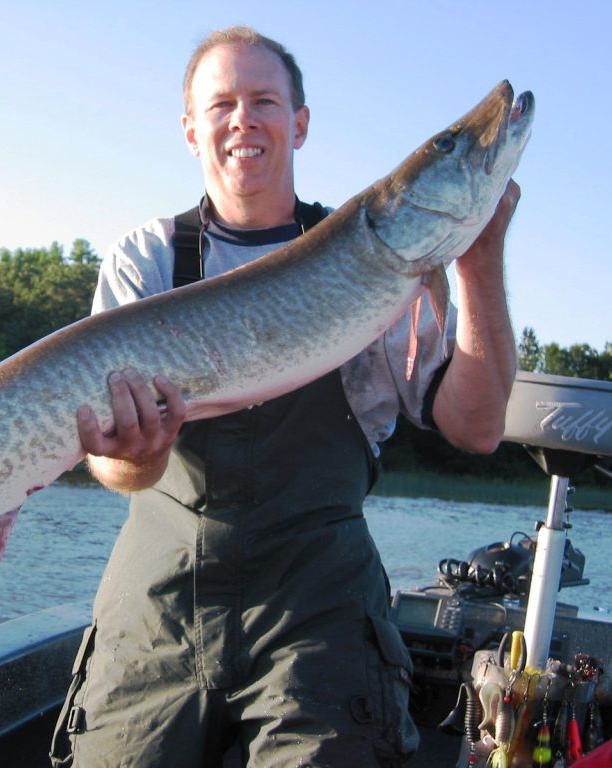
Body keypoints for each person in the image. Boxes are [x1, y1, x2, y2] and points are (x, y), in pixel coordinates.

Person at [50, 25, 519, 768]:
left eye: (264, 101)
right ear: (191, 130)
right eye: (222, 104)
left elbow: (478, 427)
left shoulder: (381, 257)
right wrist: (132, 457)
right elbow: (111, 465)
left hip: (318, 608)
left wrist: (479, 263)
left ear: (299, 123)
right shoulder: (147, 259)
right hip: (159, 603)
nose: (244, 119)